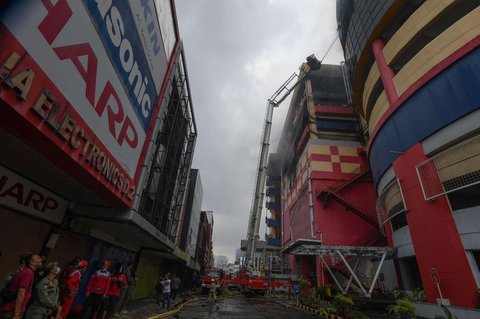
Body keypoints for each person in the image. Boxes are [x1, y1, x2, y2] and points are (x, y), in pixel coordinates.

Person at [1, 254, 43, 319]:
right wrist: (16, 314)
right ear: (31, 262)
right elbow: (21, 293)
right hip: (12, 310)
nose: (41, 259)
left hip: (14, 309)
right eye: (38, 258)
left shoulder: (29, 272)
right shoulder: (28, 273)